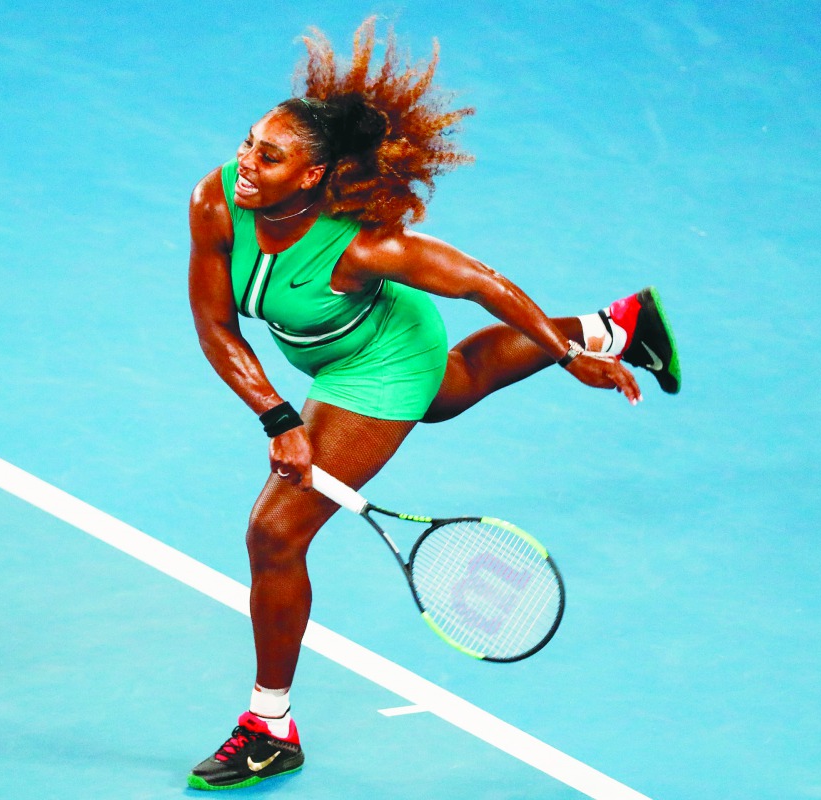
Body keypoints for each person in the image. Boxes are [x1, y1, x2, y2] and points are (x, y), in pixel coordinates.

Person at [185, 18, 680, 791]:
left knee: (274, 534)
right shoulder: (217, 199)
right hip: (333, 347)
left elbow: (480, 281)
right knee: (451, 392)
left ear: (313, 177)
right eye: (249, 142)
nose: (246, 163)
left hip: (378, 362)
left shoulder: (364, 245)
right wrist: (279, 416)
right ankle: (619, 325)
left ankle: (269, 727)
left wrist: (567, 363)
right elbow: (215, 325)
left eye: (269, 156)